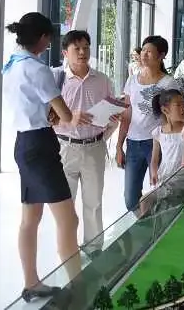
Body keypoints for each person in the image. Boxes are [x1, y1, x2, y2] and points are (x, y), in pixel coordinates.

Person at [3, 12, 89, 301]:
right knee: (68, 220)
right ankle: (79, 285)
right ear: (42, 38)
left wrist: (52, 114)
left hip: (23, 144)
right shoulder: (37, 69)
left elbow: (33, 106)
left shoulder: (12, 64)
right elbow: (65, 114)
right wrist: (75, 115)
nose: (49, 43)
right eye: (49, 38)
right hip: (40, 146)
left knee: (31, 218)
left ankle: (31, 282)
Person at [53, 30, 120, 257]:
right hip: (64, 148)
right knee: (65, 204)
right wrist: (69, 118)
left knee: (94, 202)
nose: (82, 52)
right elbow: (47, 117)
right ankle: (68, 250)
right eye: (77, 48)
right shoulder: (57, 80)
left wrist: (104, 132)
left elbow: (112, 112)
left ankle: (93, 248)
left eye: (86, 47)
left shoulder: (102, 80)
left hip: (94, 147)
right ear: (65, 52)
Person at [116, 36, 182, 211]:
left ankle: (158, 224)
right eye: (143, 50)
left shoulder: (168, 83)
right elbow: (127, 113)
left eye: (149, 51)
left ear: (161, 55)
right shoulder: (132, 80)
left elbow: (178, 114)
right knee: (130, 199)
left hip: (157, 144)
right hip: (133, 143)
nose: (144, 54)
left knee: (162, 191)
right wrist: (119, 146)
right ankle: (145, 223)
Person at [149, 89, 184, 188]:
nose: (183, 108)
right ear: (165, 110)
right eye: (178, 105)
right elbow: (154, 159)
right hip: (166, 176)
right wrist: (153, 173)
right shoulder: (158, 132)